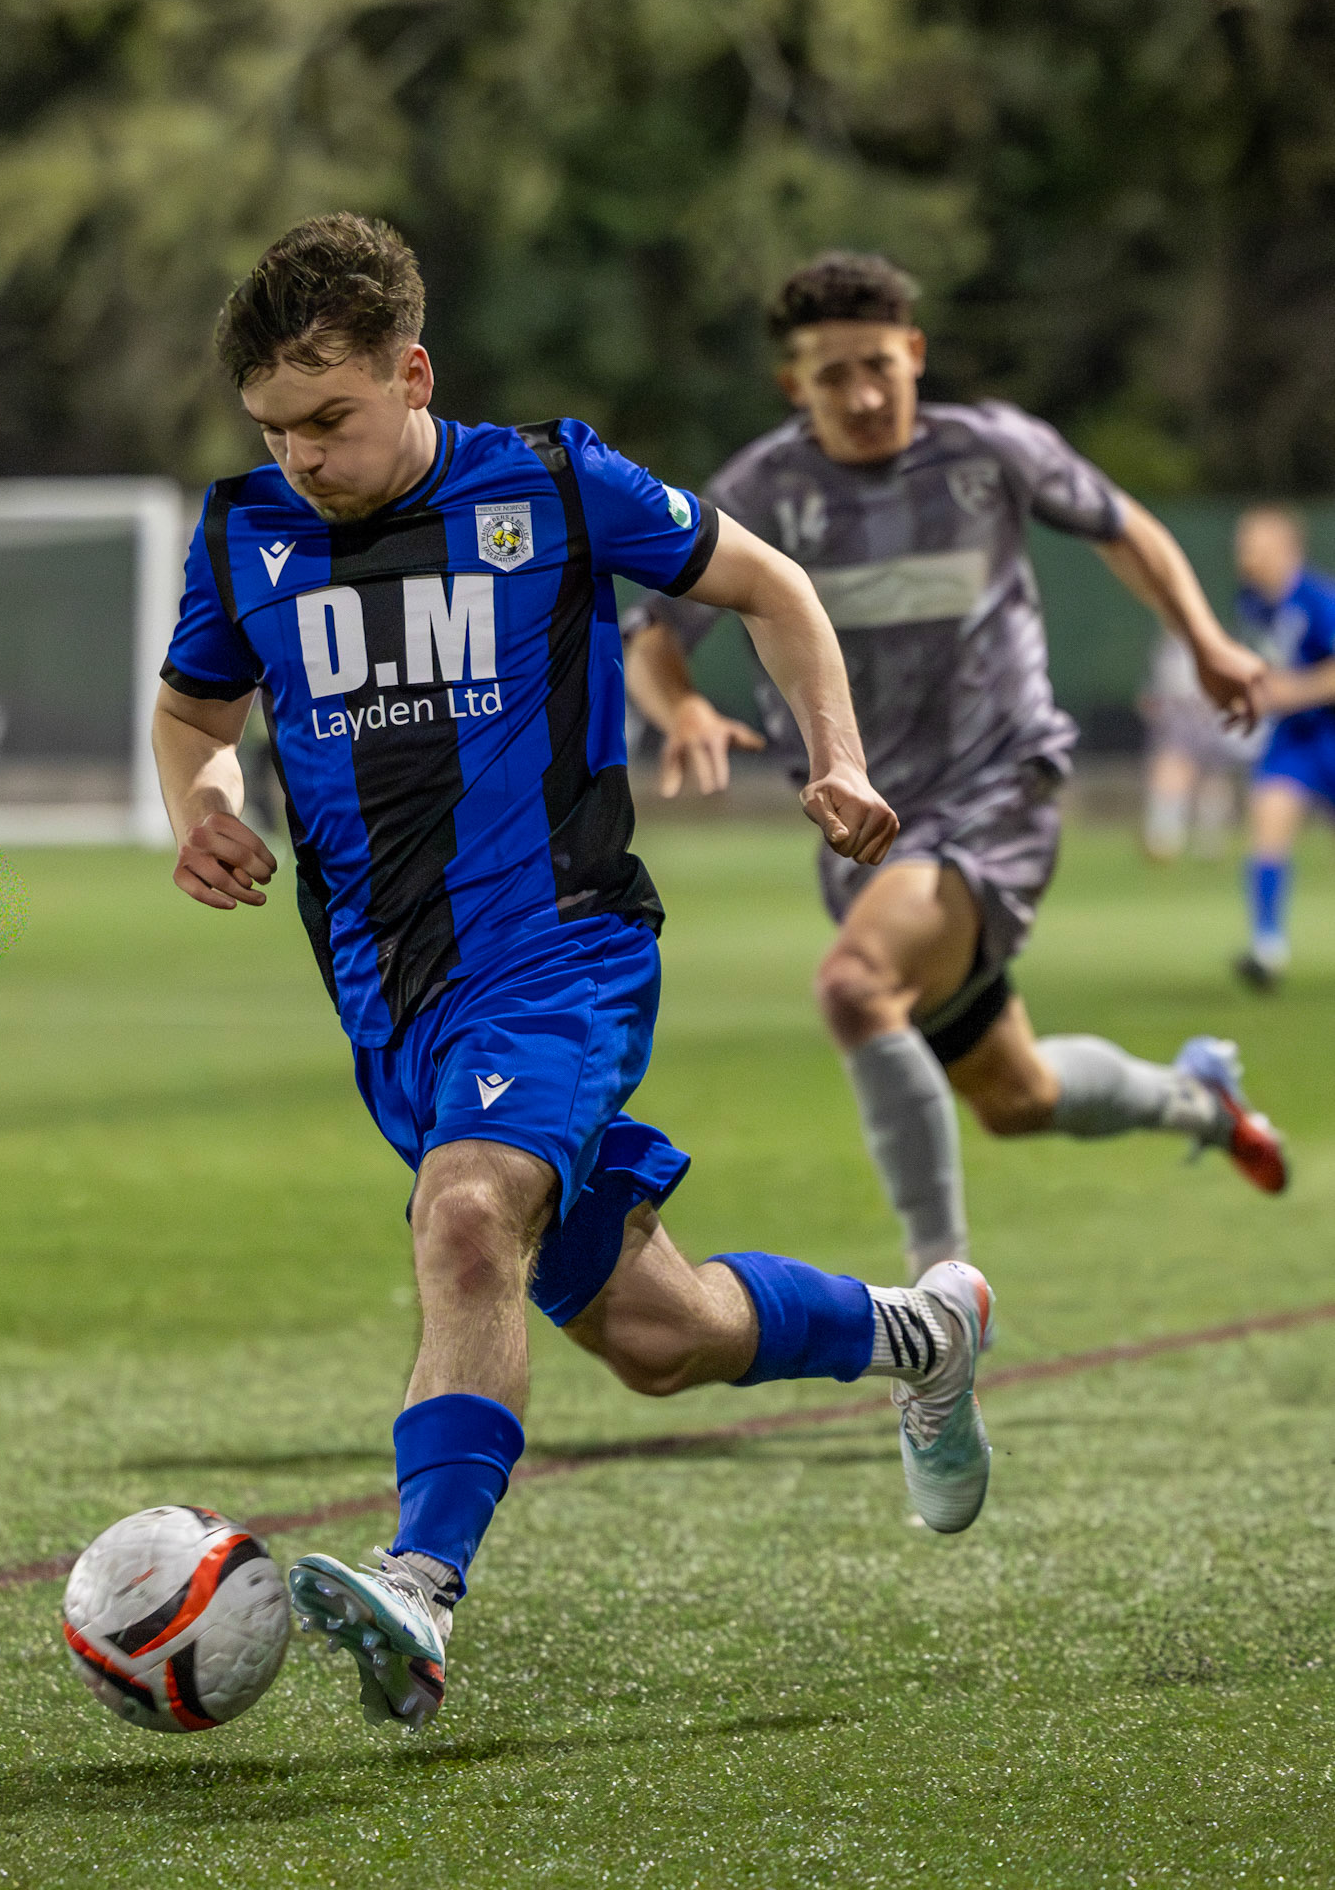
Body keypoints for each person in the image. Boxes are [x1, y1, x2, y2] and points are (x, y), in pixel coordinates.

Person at [153, 215, 1001, 1735]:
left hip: (561, 951)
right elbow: (194, 713)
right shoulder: (241, 538)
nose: (303, 457)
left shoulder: (549, 483)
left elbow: (775, 587)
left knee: (466, 1215)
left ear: (413, 374)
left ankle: (419, 1587)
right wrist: (201, 809)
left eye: (331, 419)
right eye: (275, 429)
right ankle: (921, 1333)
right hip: (393, 1005)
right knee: (657, 1337)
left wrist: (838, 759)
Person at [623, 251, 1286, 1285]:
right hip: (869, 832)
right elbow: (654, 636)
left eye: (879, 365)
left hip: (998, 789)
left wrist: (1203, 638)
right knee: (1017, 1096)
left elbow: (1125, 527)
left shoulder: (991, 449)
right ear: (794, 384)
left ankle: (944, 1305)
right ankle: (1199, 1098)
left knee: (855, 987)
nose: (863, 394)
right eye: (833, 374)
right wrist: (684, 708)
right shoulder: (761, 490)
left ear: (916, 353)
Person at [1233, 504, 1335, 989]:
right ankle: (1267, 945)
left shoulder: (1318, 599)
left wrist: (1288, 692)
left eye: (1255, 544)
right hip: (1294, 738)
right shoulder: (1251, 604)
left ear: (1286, 548)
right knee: (1268, 819)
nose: (1245, 554)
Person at [1138, 631, 1255, 862]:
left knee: (1211, 777)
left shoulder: (1215, 643)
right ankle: (1165, 836)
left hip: (1210, 714)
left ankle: (1203, 840)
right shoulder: (1172, 647)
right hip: (1186, 714)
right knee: (1177, 768)